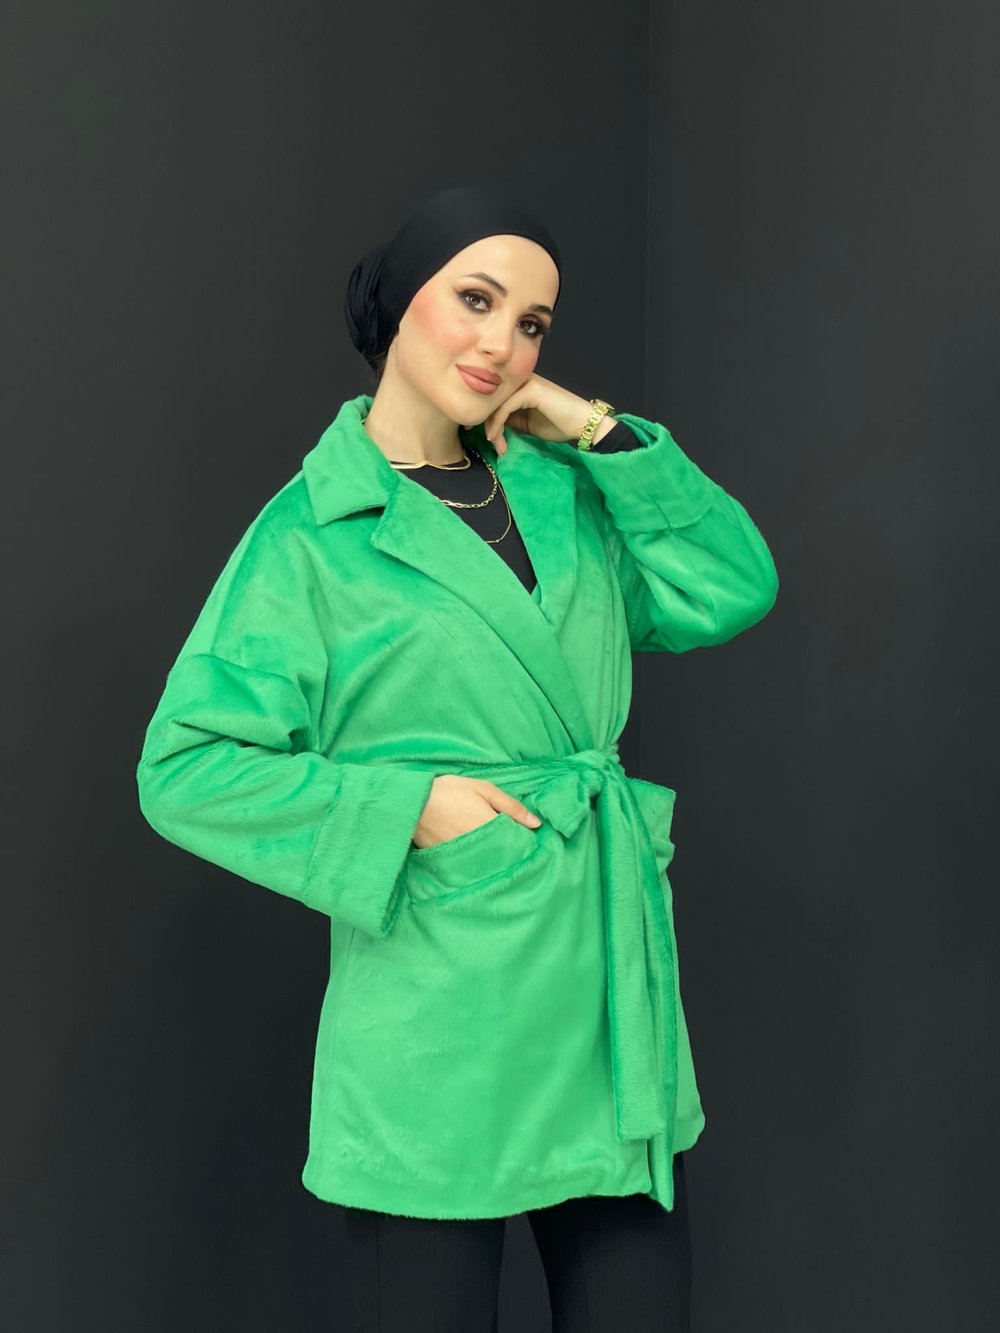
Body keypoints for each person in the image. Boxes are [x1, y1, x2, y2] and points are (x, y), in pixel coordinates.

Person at [135, 183, 779, 1330]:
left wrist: (597, 431)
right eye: (475, 300)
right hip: (439, 1012)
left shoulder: (570, 492)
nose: (502, 343)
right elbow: (185, 765)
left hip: (604, 1012)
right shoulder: (313, 532)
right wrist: (408, 808)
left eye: (532, 322)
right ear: (400, 306)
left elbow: (730, 585)